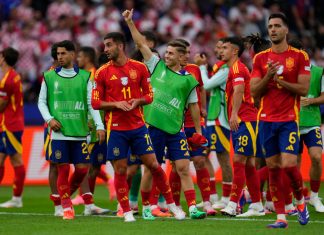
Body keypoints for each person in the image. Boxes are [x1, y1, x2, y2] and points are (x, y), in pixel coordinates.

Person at [91, 31, 186, 222]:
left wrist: (138, 101)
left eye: (109, 45)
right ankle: (126, 211)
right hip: (116, 128)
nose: (105, 49)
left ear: (120, 46)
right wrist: (116, 105)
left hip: (138, 126)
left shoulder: (140, 68)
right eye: (105, 45)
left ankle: (172, 205)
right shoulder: (102, 72)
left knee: (154, 165)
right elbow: (95, 103)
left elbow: (150, 96)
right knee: (120, 170)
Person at [123, 9, 207, 219]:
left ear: (181, 57)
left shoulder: (189, 80)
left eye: (170, 53)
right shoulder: (155, 65)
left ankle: (194, 207)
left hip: (175, 129)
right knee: (152, 168)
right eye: (166, 52)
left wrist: (197, 131)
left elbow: (194, 106)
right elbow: (142, 44)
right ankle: (148, 207)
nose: (166, 55)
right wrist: (130, 22)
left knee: (183, 168)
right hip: (152, 127)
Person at [250, 13, 310, 228]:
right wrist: (268, 77)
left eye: (277, 26)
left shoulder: (300, 56)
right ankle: (281, 217)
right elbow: (253, 90)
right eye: (270, 26)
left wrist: (280, 82)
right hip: (265, 120)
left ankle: (301, 201)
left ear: (286, 30)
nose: (273, 30)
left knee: (289, 164)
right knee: (273, 167)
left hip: (288, 119)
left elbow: (303, 89)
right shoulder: (260, 59)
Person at [38, 40, 106, 220]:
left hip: (80, 131)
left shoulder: (85, 77)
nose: (59, 57)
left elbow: (92, 105)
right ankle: (65, 206)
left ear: (72, 55)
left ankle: (65, 195)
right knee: (61, 167)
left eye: (63, 53)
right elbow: (41, 102)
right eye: (58, 54)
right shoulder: (49, 76)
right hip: (59, 132)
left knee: (83, 169)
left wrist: (99, 126)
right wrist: (50, 119)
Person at [194, 38, 233, 210]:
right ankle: (212, 196)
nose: (219, 50)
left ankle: (226, 198)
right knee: (203, 155)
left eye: (223, 47)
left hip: (220, 119)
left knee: (223, 158)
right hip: (212, 117)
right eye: (217, 47)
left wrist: (201, 67)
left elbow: (207, 85)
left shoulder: (226, 69)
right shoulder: (219, 67)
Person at [288, 39, 324, 213]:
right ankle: (299, 199)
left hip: (311, 123)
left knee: (316, 157)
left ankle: (315, 197)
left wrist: (310, 100)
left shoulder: (318, 72)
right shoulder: (287, 73)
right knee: (294, 163)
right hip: (291, 122)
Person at [0, 47, 25, 208]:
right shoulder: (14, 76)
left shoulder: (7, 80)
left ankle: (17, 198)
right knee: (0, 159)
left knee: (16, 161)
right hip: (9, 124)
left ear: (3, 59)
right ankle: (16, 198)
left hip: (10, 125)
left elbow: (2, 105)